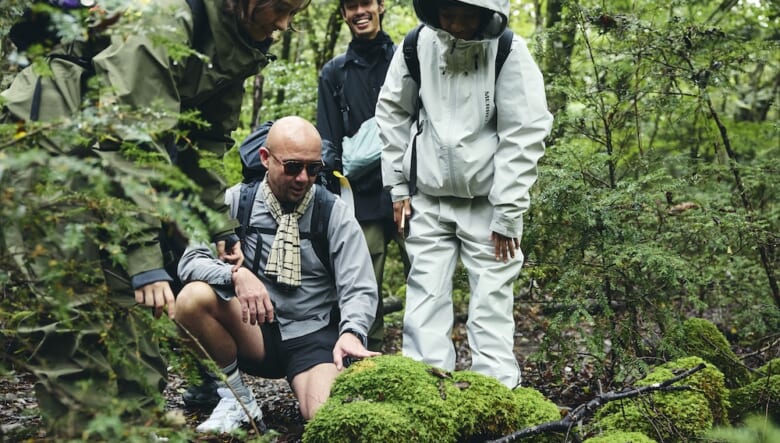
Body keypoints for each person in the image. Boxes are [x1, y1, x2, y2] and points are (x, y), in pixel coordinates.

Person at [0, 0, 311, 436]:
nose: (283, 24)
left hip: (120, 169)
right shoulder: (163, 17)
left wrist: (216, 224)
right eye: (278, 8)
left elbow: (204, 142)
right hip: (52, 147)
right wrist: (145, 258)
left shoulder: (235, 43)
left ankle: (135, 427)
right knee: (71, 318)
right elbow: (133, 143)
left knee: (137, 320)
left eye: (294, 12)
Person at [375, 0, 554, 388]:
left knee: (491, 302)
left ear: (486, 13)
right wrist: (398, 187)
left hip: (489, 205)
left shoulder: (508, 51)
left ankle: (496, 393)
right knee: (425, 296)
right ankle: (427, 390)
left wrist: (508, 212)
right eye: (447, 13)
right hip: (429, 197)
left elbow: (524, 134)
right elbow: (391, 114)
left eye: (466, 15)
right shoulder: (415, 46)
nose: (455, 24)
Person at [176, 116, 380, 434]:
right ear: (265, 159)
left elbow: (359, 286)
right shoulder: (236, 203)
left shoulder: (333, 211)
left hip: (314, 337)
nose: (303, 178)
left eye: (314, 169)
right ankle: (236, 399)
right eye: (293, 167)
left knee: (324, 417)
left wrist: (352, 331)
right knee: (191, 299)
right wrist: (235, 275)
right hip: (255, 329)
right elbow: (190, 261)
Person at [316, 0, 409, 352]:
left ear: (380, 6)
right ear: (343, 13)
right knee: (365, 281)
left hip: (409, 189)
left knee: (425, 271)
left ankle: (426, 358)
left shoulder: (406, 58)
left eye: (365, 3)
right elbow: (328, 138)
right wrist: (330, 193)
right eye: (350, 6)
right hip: (361, 197)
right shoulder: (334, 72)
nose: (359, 12)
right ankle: (370, 357)